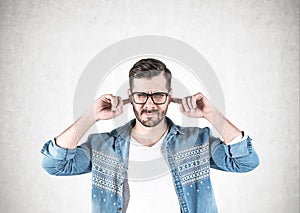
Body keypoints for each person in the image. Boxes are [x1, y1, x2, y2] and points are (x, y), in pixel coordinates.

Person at [41, 58, 259, 213]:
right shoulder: (102, 145)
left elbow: (245, 162)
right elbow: (54, 164)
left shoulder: (197, 141)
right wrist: (91, 116)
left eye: (158, 95)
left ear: (170, 96)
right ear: (130, 96)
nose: (150, 104)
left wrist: (211, 115)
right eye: (141, 95)